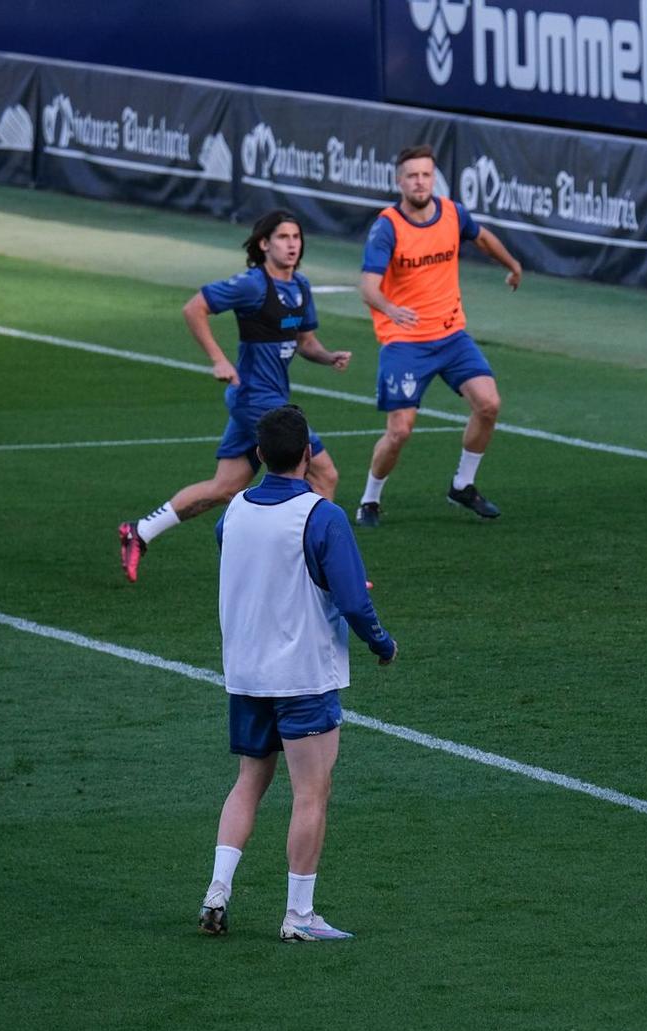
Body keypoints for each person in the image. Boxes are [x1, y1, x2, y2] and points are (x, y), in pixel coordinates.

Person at [199, 405, 397, 942]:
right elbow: (354, 602)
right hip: (303, 676)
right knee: (310, 793)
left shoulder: (234, 509)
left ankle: (218, 889)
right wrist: (382, 643)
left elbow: (243, 558)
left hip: (246, 675)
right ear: (308, 454)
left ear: (259, 454)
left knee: (248, 783)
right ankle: (298, 916)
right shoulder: (322, 516)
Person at [119, 210, 350, 582]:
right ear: (264, 244)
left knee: (224, 487)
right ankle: (321, 568)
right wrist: (219, 360)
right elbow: (194, 308)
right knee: (324, 472)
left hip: (266, 399)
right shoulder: (253, 286)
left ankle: (140, 531)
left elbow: (305, 342)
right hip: (258, 401)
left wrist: (327, 356)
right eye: (283, 237)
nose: (292, 244)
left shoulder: (301, 287)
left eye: (296, 237)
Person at [353, 144, 523, 527]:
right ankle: (370, 500)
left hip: (451, 336)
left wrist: (512, 263)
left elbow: (481, 237)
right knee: (399, 431)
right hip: (405, 341)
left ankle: (462, 485)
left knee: (489, 404)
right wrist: (390, 308)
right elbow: (367, 286)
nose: (419, 182)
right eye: (412, 175)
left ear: (434, 178)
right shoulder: (387, 227)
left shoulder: (451, 213)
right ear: (399, 181)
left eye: (426, 175)